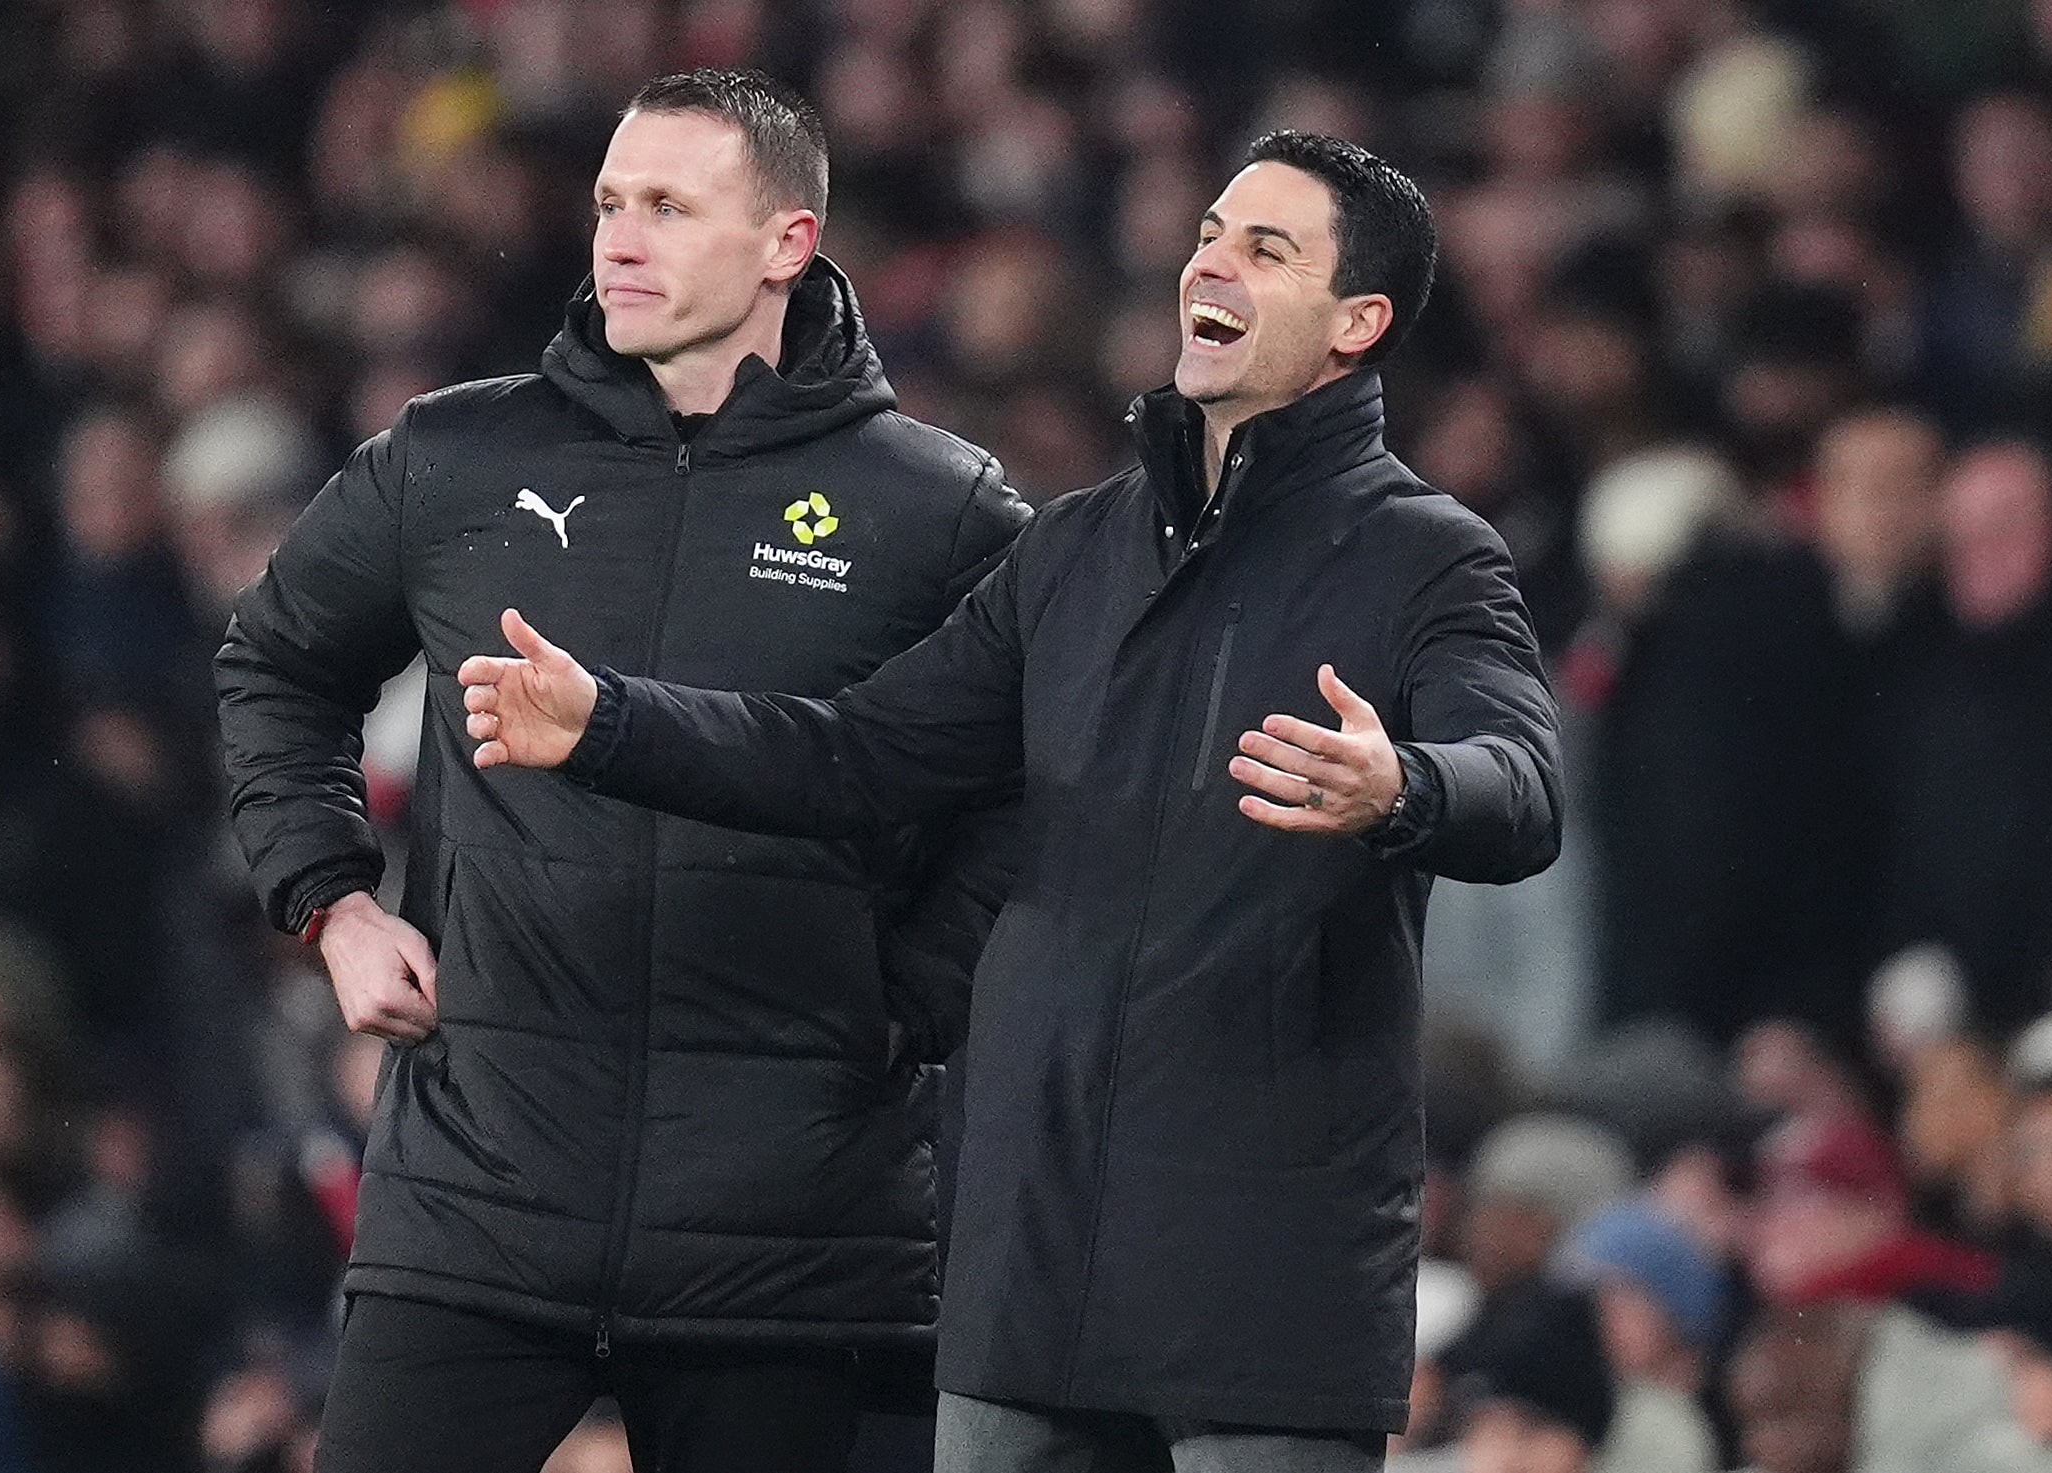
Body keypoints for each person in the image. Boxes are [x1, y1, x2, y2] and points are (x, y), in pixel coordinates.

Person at [460, 130, 1565, 1469]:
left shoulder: (1425, 558)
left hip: (1262, 1261)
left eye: (1265, 249)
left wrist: (1405, 784)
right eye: (1209, 232)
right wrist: (609, 722)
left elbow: (1521, 787)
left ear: (1357, 322)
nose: (1209, 260)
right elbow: (853, 755)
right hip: (1027, 1246)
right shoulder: (1073, 550)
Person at [213, 69, 1029, 1473]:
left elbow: (1021, 779)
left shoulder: (938, 509)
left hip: (791, 1227)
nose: (620, 240)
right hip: (480, 1192)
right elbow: (275, 664)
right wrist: (333, 902)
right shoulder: (457, 457)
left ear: (786, 240)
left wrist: (905, 997)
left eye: (667, 205)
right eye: (607, 203)